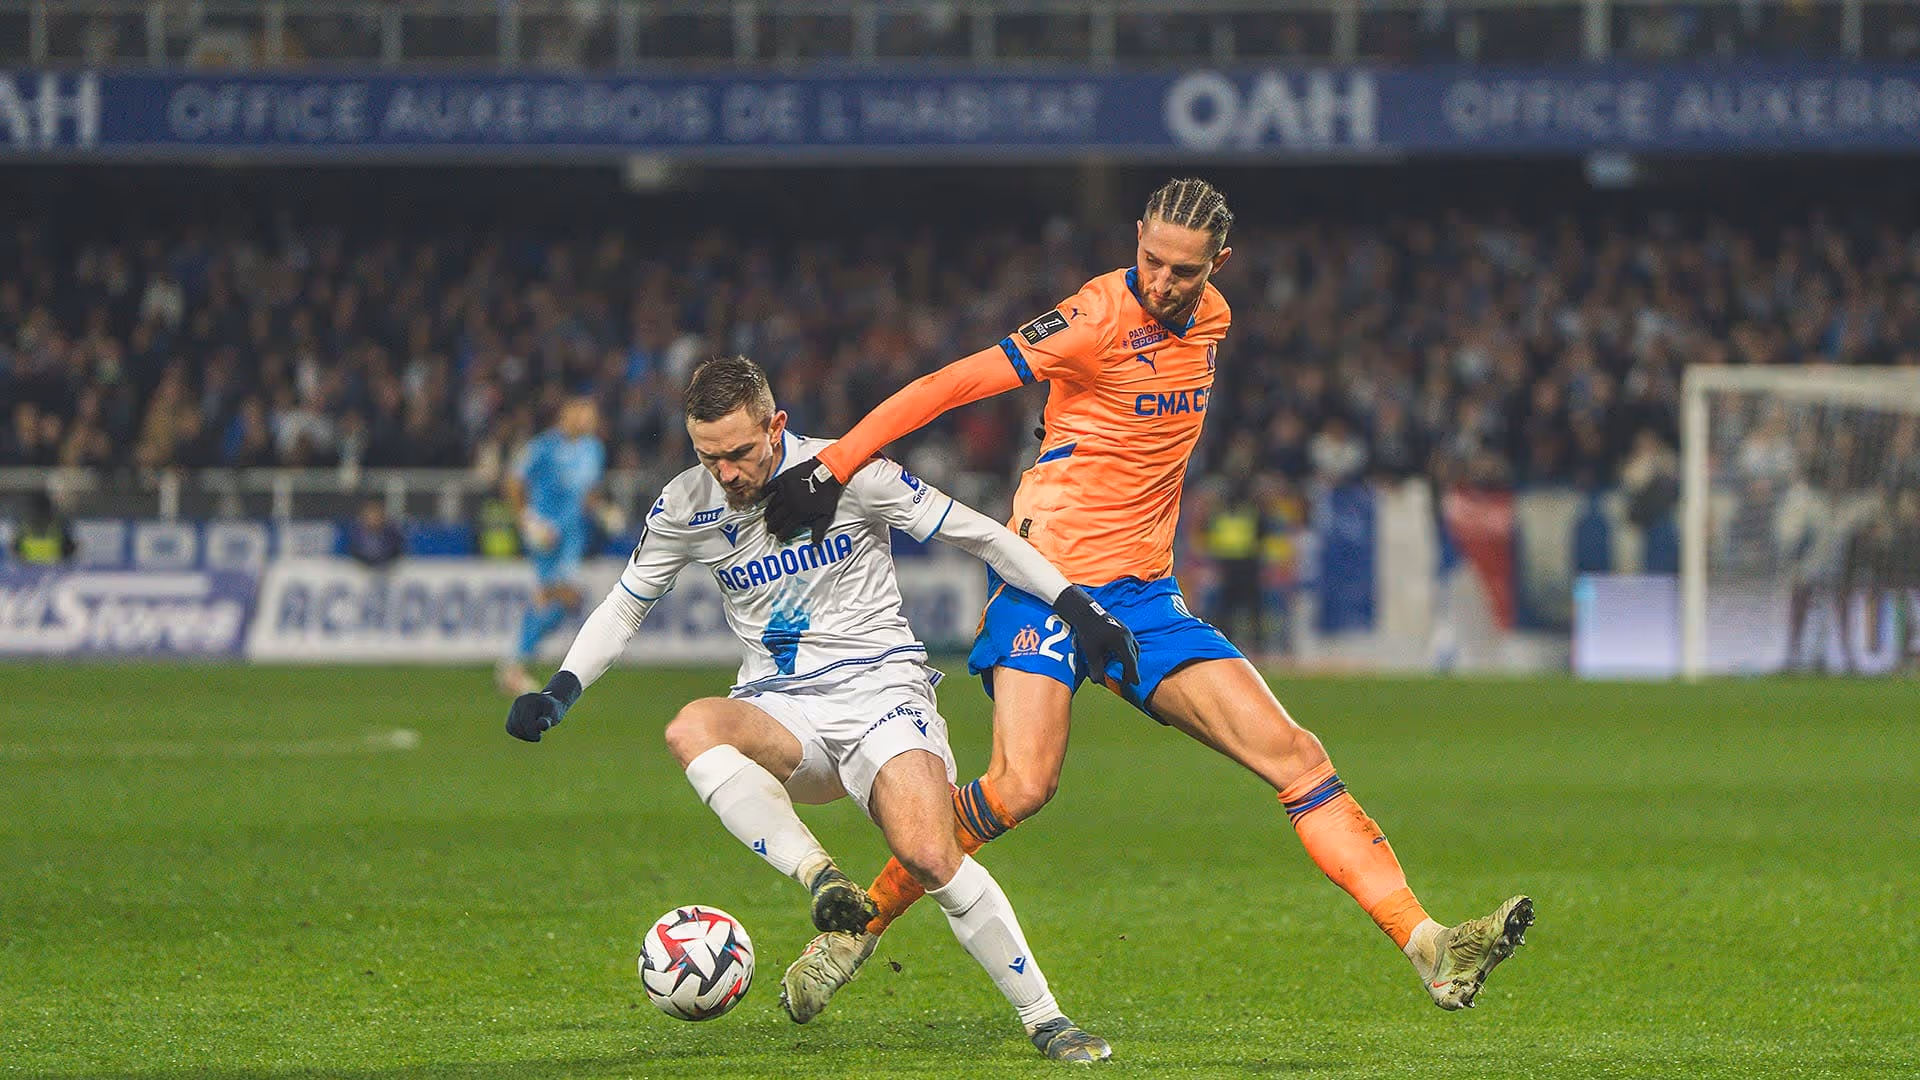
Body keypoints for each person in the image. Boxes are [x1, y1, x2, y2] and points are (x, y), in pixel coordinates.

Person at [764, 177, 1532, 1022]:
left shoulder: (1215, 320)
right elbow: (951, 384)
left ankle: (1428, 945)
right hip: (1045, 582)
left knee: (1298, 757)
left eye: (1184, 271)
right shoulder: (1092, 317)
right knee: (1020, 787)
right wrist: (835, 465)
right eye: (1151, 261)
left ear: (1219, 264)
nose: (1163, 282)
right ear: (1135, 237)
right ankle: (855, 931)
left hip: (1145, 597)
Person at [502, 356, 1134, 1062]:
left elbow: (981, 535)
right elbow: (626, 604)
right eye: (709, 457)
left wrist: (1082, 610)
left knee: (930, 854)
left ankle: (1046, 1020)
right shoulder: (686, 504)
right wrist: (561, 688)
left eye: (740, 452)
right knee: (692, 727)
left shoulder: (851, 471)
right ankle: (823, 879)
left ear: (776, 426)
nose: (727, 473)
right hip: (781, 712)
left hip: (881, 695)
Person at [497, 394, 606, 696]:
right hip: (545, 534)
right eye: (584, 413)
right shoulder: (542, 447)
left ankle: (515, 665)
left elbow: (588, 491)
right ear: (566, 414)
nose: (590, 420)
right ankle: (515, 666)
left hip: (573, 534)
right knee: (561, 596)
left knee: (559, 600)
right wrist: (527, 520)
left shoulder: (594, 449)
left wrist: (603, 510)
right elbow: (513, 482)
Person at [10, 491, 78, 566]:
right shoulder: (60, 523)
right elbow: (70, 549)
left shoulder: (24, 525)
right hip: (55, 565)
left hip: (29, 564)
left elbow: (15, 549)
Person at [344, 497, 406, 571]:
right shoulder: (354, 533)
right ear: (364, 515)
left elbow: (398, 553)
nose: (374, 517)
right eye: (371, 513)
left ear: (383, 515)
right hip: (359, 571)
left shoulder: (392, 534)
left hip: (387, 570)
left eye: (377, 513)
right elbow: (349, 554)